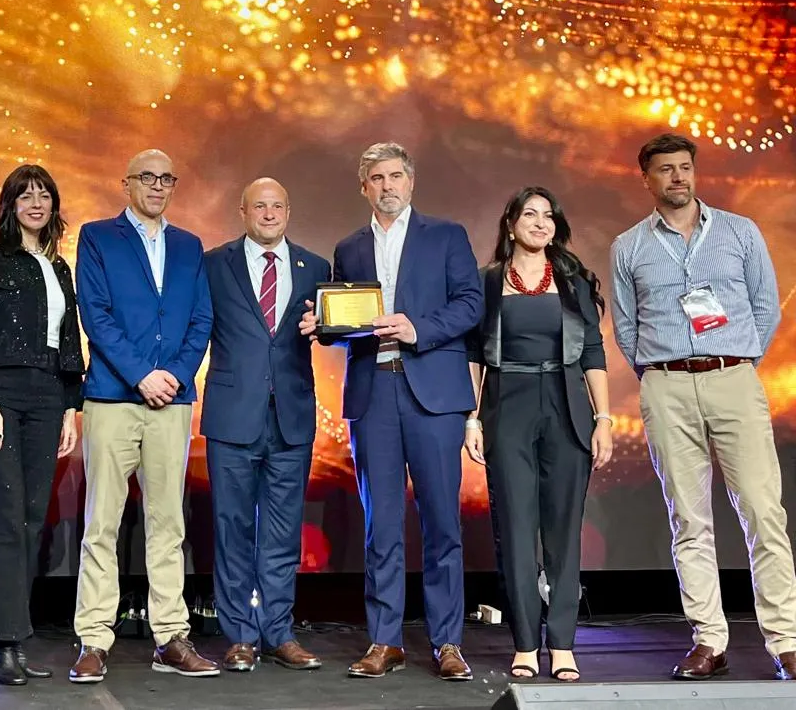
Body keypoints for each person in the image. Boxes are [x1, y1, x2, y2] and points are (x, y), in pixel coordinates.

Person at [610, 133, 796, 681]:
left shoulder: (740, 232)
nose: (677, 178)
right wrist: (663, 373)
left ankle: (786, 640)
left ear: (695, 173)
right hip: (666, 386)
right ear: (646, 179)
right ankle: (709, 641)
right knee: (689, 520)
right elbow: (626, 327)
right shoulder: (629, 246)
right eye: (665, 170)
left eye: (685, 168)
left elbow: (765, 308)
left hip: (733, 379)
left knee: (763, 512)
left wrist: (733, 359)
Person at [299, 142, 483, 681]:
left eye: (396, 175)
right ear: (364, 187)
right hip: (373, 394)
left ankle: (447, 643)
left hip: (433, 394)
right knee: (381, 525)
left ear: (411, 181)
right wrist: (322, 327)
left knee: (442, 523)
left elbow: (471, 305)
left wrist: (417, 329)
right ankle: (385, 641)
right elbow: (346, 325)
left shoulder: (447, 236)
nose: (387, 186)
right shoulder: (348, 247)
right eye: (376, 178)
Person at [69, 149, 218, 682]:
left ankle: (171, 636)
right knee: (101, 523)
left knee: (167, 524)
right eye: (147, 177)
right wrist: (141, 375)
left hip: (171, 402)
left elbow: (201, 318)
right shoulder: (98, 236)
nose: (157, 186)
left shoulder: (188, 245)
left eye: (166, 178)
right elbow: (96, 313)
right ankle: (94, 639)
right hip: (113, 397)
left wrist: (174, 375)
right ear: (126, 183)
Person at [464, 186, 613, 682]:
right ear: (510, 224)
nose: (539, 222)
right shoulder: (487, 282)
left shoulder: (574, 280)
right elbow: (473, 357)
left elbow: (592, 351)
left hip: (568, 405)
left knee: (563, 531)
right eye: (529, 214)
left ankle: (563, 644)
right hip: (507, 405)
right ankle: (526, 643)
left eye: (548, 216)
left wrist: (605, 419)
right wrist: (472, 418)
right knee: (515, 528)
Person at [0, 164, 85, 685]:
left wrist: (71, 407)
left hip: (47, 396)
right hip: (0, 396)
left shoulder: (59, 267)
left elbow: (70, 341)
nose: (36, 203)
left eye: (45, 195)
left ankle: (13, 634)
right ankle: (1, 642)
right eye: (25, 195)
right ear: (9, 204)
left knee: (33, 516)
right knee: (5, 516)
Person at [202, 178, 330, 672]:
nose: (270, 213)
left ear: (289, 210)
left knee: (282, 533)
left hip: (291, 418)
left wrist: (325, 328)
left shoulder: (316, 267)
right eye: (261, 205)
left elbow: (335, 332)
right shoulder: (214, 265)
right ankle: (239, 636)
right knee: (232, 529)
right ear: (243, 211)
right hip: (233, 416)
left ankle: (278, 632)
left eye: (278, 205)